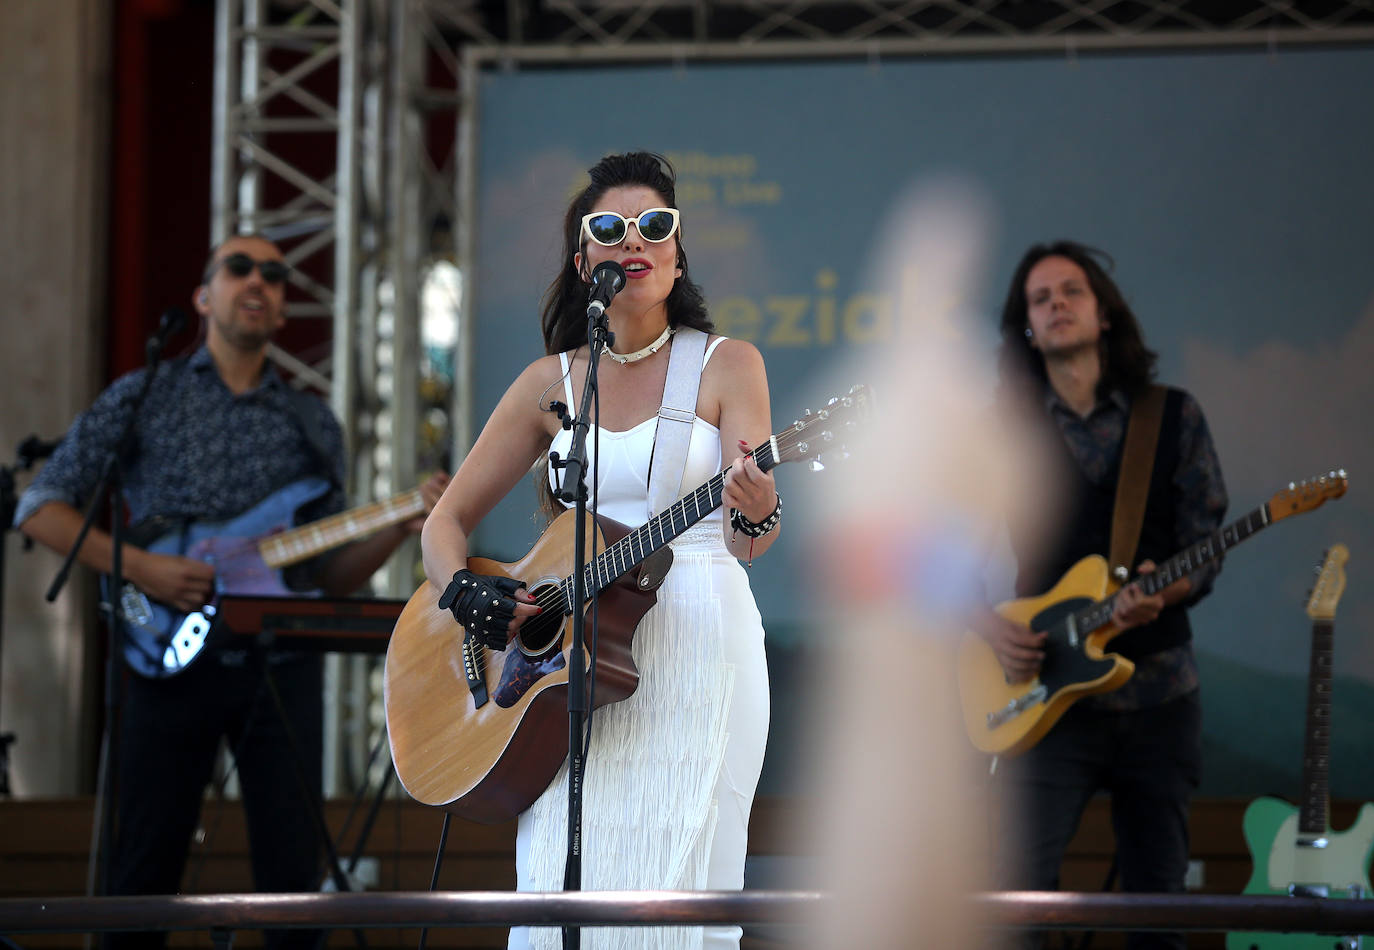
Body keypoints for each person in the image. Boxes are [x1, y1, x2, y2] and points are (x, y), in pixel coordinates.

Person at [14, 233, 446, 948]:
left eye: (275, 276)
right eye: (239, 268)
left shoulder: (312, 423)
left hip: (278, 663)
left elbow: (321, 580)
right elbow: (44, 506)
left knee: (292, 873)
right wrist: (141, 568)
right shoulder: (146, 394)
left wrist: (398, 525)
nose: (259, 282)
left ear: (282, 310)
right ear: (203, 296)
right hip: (163, 657)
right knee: (144, 866)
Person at [419, 151, 777, 950]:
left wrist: (756, 510)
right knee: (559, 894)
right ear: (585, 264)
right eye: (609, 230)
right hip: (568, 667)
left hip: (698, 643)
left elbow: (754, 540)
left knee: (684, 895)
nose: (634, 241)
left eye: (656, 226)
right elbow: (444, 525)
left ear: (678, 254)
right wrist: (464, 595)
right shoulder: (550, 382)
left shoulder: (728, 365)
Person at [979, 240, 1228, 949]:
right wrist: (986, 624)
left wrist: (1167, 588)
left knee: (1160, 912)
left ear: (1105, 313)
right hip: (1041, 702)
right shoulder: (1004, 435)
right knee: (1017, 907)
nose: (1056, 304)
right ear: (1026, 327)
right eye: (1040, 298)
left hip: (1160, 696)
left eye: (1072, 291)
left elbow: (1204, 540)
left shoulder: (1172, 417)